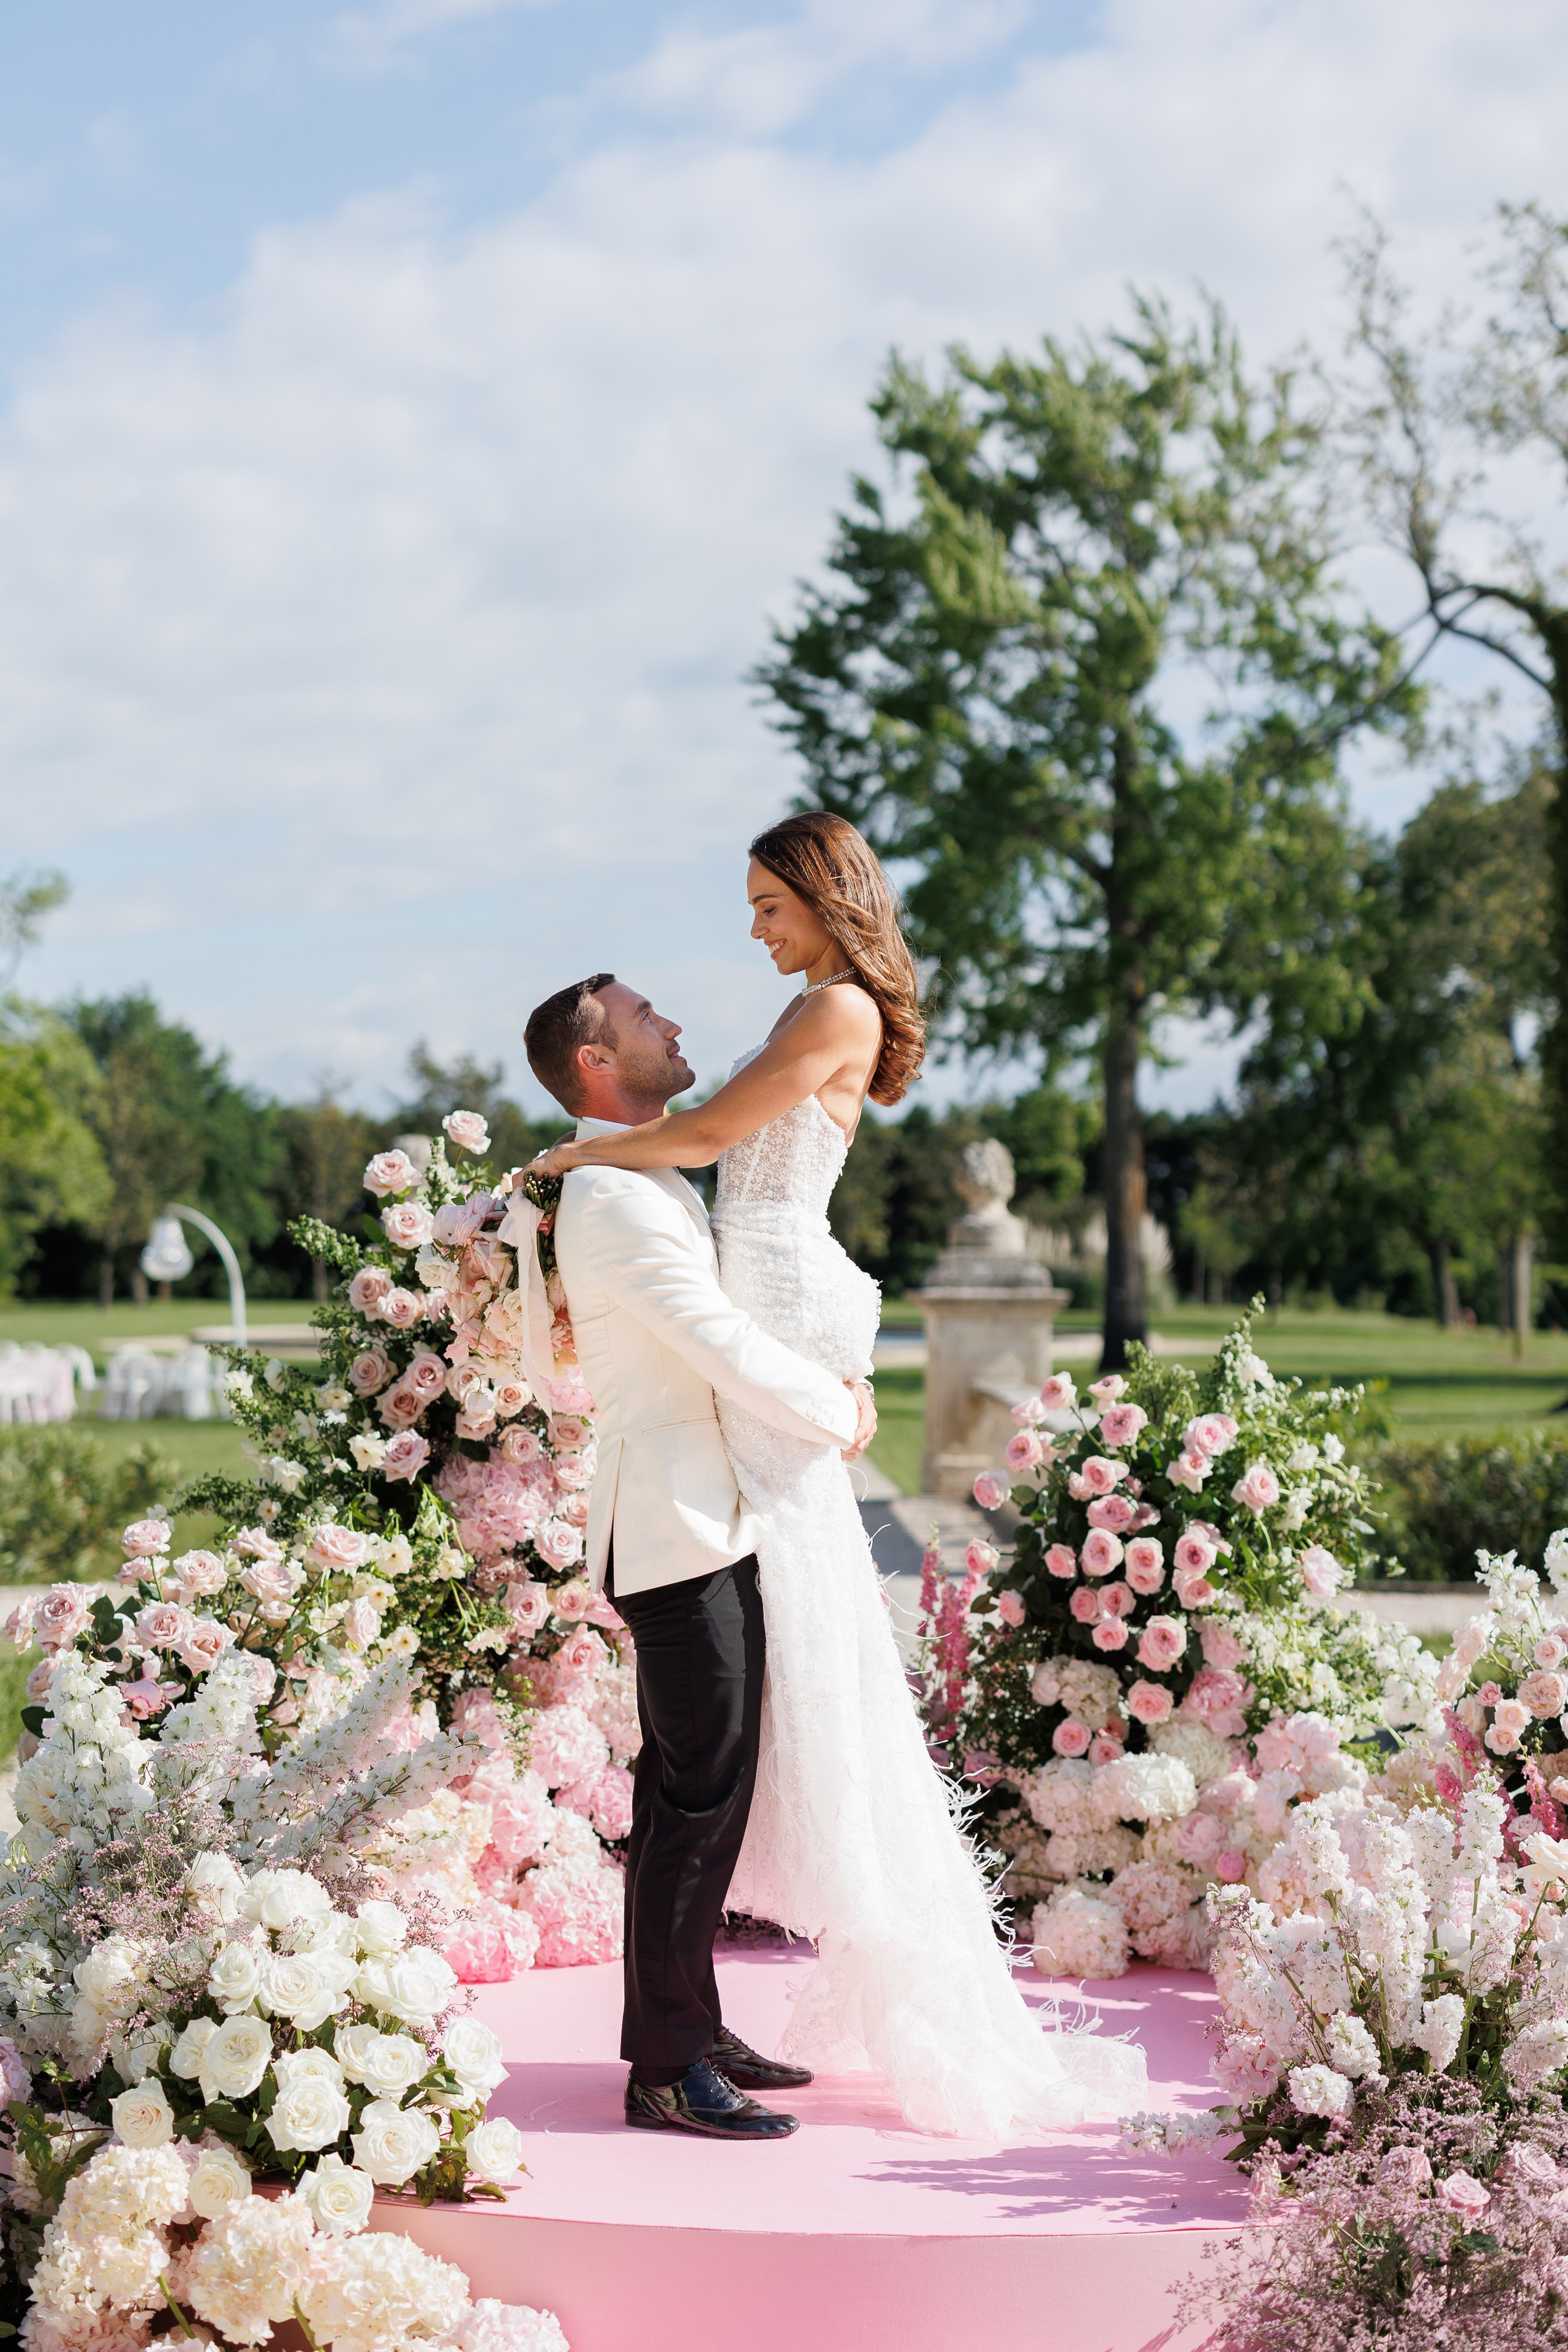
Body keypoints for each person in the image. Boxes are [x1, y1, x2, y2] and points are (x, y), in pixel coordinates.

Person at [530, 813, 1146, 2138]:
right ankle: (674, 2045)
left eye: (766, 904)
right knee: (733, 1739)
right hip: (727, 1405)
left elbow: (698, 1140)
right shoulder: (799, 1024)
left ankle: (681, 2036)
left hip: (769, 1332)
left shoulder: (834, 1009)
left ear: (822, 897)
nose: (751, 932)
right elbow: (682, 1218)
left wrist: (579, 1152)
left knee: (737, 1732)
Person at [521, 971, 878, 2143]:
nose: (672, 1024)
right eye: (644, 1019)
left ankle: (688, 2025)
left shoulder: (639, 1176)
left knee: (697, 1792)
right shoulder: (617, 1202)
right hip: (675, 1528)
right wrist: (839, 1407)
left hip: (704, 1517)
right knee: (694, 1794)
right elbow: (718, 1343)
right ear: (596, 1065)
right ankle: (666, 2071)